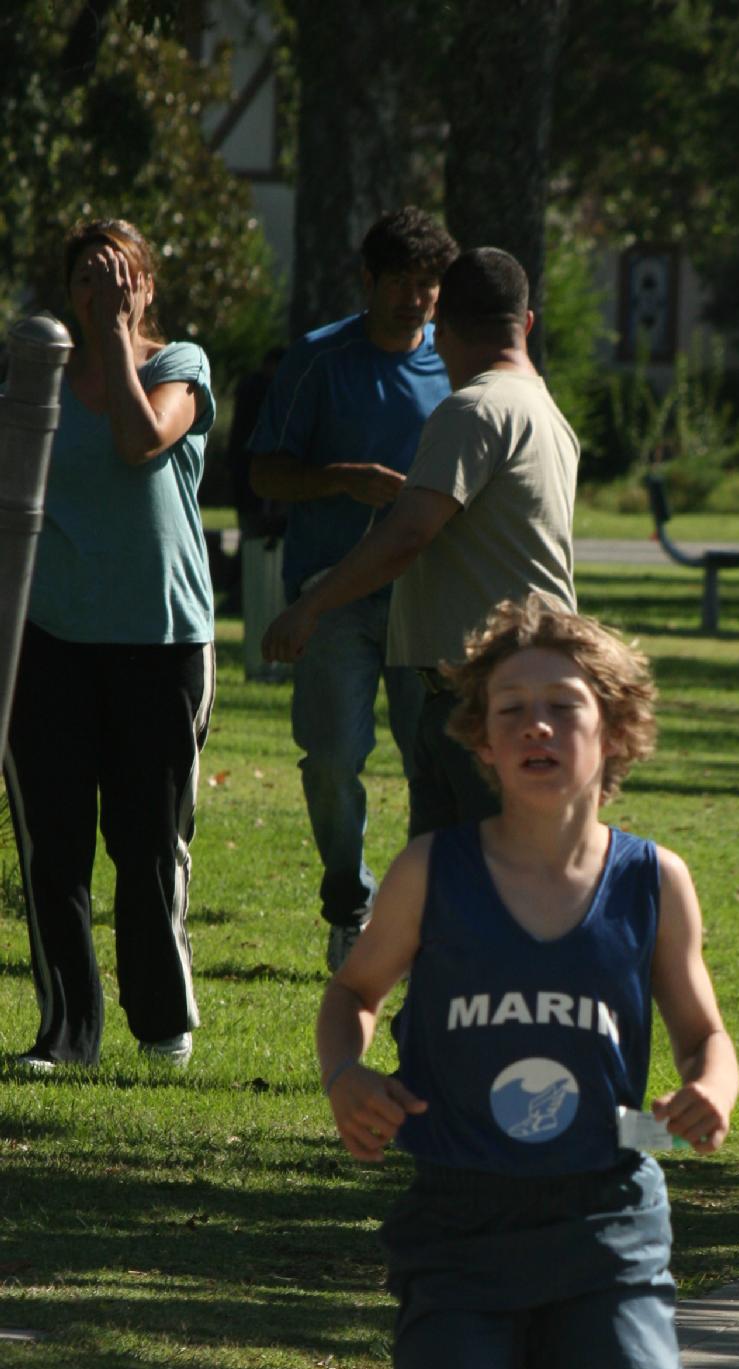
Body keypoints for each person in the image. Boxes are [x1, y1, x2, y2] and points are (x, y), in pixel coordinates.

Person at [316, 595, 739, 1369]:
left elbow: (706, 1030)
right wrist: (347, 1073)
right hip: (459, 1224)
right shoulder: (432, 870)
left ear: (617, 731)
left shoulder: (652, 880)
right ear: (481, 739)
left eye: (565, 707)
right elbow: (353, 993)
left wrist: (710, 1088)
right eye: (514, 711)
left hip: (604, 1224)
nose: (539, 728)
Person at [263, 247, 578, 841]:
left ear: (442, 327)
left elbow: (407, 535)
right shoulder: (543, 409)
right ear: (527, 322)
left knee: (481, 882)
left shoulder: (474, 409)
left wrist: (310, 606)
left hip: (487, 697)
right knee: (453, 882)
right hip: (523, 684)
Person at [3, 216, 216, 1070]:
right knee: (52, 849)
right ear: (67, 294)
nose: (104, 292)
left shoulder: (179, 366)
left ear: (148, 287)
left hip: (160, 641)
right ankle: (67, 1033)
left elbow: (138, 442)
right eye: (87, 278)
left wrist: (121, 338)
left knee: (148, 842)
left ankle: (163, 1022)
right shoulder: (34, 381)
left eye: (120, 275)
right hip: (47, 641)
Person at [248, 207, 457, 969]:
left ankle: (430, 918)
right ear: (367, 281)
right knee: (333, 760)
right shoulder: (318, 359)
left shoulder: (457, 365)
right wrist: (339, 478)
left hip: (425, 598)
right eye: (399, 281)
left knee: (434, 765)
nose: (414, 298)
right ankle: (349, 901)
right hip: (329, 593)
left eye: (428, 284)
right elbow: (264, 472)